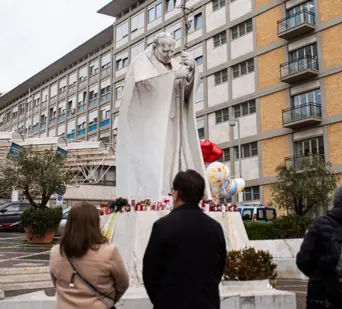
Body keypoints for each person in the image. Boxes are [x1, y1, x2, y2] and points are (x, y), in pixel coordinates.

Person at [115, 31, 211, 202]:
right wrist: (173, 76)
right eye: (164, 51)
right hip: (152, 124)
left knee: (174, 158)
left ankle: (172, 191)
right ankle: (153, 194)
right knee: (157, 159)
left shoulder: (175, 64)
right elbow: (142, 86)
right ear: (155, 47)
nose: (168, 55)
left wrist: (192, 70)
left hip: (174, 121)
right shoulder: (141, 62)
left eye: (171, 51)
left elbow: (186, 92)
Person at [143, 170, 227, 309]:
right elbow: (219, 268)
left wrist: (160, 300)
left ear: (176, 194)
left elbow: (150, 272)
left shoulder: (163, 226)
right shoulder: (215, 228)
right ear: (200, 196)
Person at [50, 203, 130, 309]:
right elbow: (123, 284)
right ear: (96, 224)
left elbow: (56, 282)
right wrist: (108, 300)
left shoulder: (56, 251)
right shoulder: (109, 251)